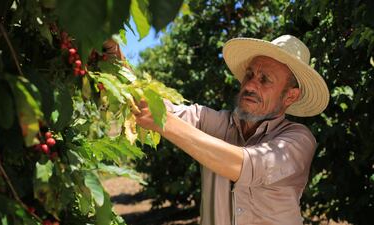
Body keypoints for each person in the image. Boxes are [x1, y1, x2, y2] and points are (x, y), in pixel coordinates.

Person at [134, 35, 329, 225]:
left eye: (265, 79)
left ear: (290, 96)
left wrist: (164, 121)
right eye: (249, 75)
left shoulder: (298, 140)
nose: (251, 84)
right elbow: (159, 107)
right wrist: (117, 64)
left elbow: (245, 165)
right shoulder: (218, 122)